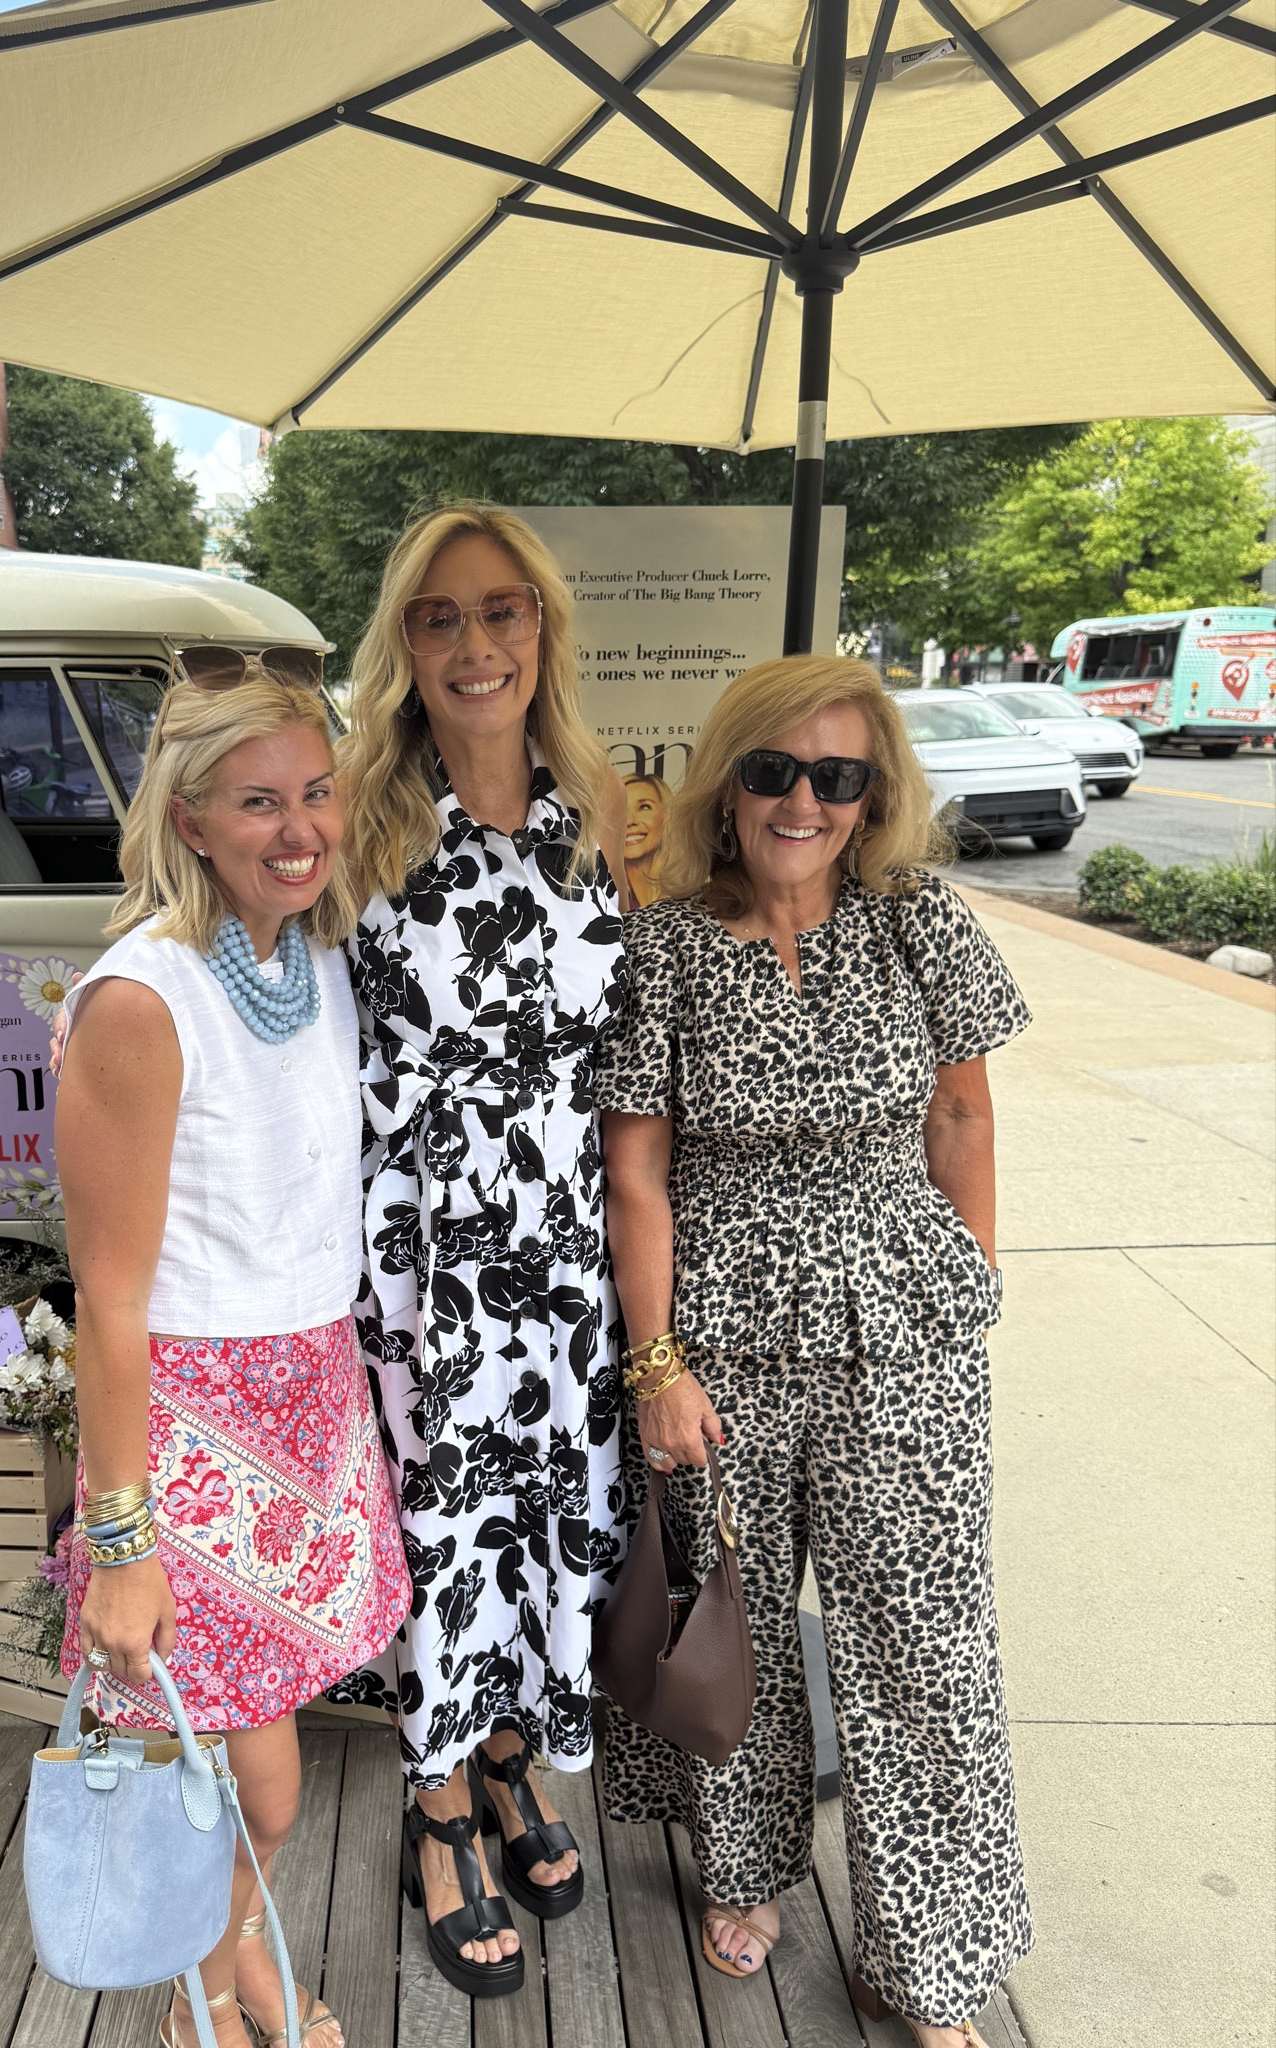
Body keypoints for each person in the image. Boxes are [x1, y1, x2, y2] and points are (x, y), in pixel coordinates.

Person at [597, 656, 1034, 2047]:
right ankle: (744, 1869)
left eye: (838, 776)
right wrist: (654, 1364)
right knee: (733, 1623)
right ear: (729, 782)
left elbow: (961, 1119)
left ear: (873, 793)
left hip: (901, 1321)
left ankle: (929, 1948)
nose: (805, 800)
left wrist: (967, 1274)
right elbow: (639, 1175)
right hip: (718, 1333)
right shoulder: (661, 947)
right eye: (777, 770)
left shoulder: (920, 923)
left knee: (927, 1635)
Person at [55, 673, 411, 2048]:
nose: (298, 827)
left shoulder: (306, 959)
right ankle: (211, 2010)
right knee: (239, 1779)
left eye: (315, 792)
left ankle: (233, 1974)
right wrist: (126, 1538)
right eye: (258, 801)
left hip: (307, 1400)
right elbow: (111, 1306)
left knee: (252, 1763)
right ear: (191, 819)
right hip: (192, 1432)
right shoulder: (141, 1000)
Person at [329, 505, 630, 1999]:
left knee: (550, 1509)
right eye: (440, 617)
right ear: (404, 642)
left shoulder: (597, 815)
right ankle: (438, 1810)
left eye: (502, 611)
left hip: (569, 1235)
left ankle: (512, 1762)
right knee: (447, 1525)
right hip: (431, 1243)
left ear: (543, 631)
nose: (475, 643)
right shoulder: (361, 815)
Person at [622, 774, 668, 906]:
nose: (629, 821)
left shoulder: (690, 891)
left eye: (644, 807)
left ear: (666, 816)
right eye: (621, 810)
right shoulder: (601, 898)